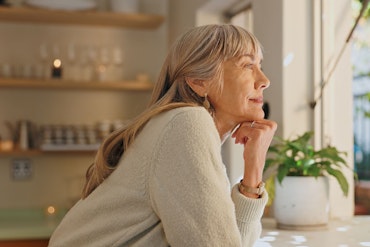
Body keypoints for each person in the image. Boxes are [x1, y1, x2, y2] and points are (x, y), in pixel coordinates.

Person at [48, 24, 277, 247]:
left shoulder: (183, 126)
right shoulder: (186, 123)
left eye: (260, 65)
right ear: (199, 82)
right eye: (248, 65)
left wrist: (254, 166)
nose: (264, 80)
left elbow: (233, 240)